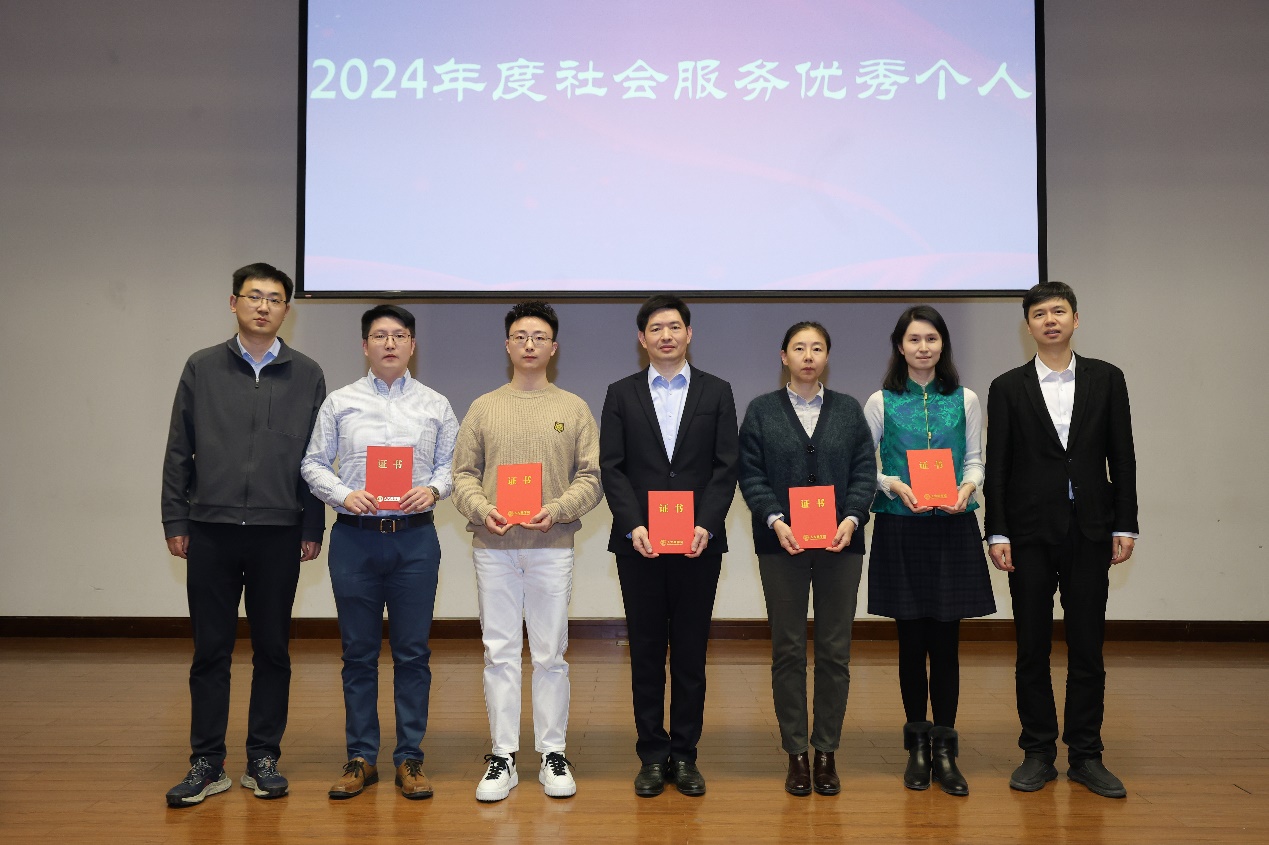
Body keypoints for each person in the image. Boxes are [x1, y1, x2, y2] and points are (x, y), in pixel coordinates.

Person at [160, 262, 326, 808]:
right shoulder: (202, 366)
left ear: (286, 310)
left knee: (273, 649)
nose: (263, 306)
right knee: (210, 650)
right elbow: (178, 448)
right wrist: (175, 519)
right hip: (211, 529)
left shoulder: (307, 373)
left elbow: (316, 458)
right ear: (234, 303)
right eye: (253, 296)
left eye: (274, 299)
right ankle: (207, 761)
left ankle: (263, 756)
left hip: (279, 532)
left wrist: (311, 524)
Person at [985, 281, 1138, 799]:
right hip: (1027, 532)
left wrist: (1125, 523)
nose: (1050, 320)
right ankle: (1037, 752)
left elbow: (1123, 455)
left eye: (1059, 311)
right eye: (1039, 314)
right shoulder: (1008, 386)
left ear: (1076, 319)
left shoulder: (1107, 378)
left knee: (1087, 646)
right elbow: (998, 465)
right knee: (1031, 646)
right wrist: (997, 530)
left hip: (1091, 529)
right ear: (1027, 325)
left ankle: (1087, 755)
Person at [301, 304, 458, 801]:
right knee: (358, 654)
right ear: (364, 345)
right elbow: (312, 463)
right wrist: (343, 493)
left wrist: (433, 489)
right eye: (379, 335)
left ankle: (409, 758)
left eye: (399, 335)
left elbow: (453, 466)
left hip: (415, 540)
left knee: (413, 653)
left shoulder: (436, 404)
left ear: (413, 345)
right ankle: (361, 758)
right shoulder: (340, 402)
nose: (390, 343)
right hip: (355, 539)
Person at [451, 301, 603, 802]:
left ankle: (553, 752)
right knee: (499, 652)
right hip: (494, 546)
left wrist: (557, 510)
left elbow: (591, 477)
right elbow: (462, 475)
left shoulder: (573, 408)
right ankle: (503, 756)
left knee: (550, 654)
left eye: (539, 337)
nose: (530, 344)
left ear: (553, 347)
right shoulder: (483, 407)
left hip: (551, 546)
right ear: (507, 345)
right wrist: (482, 509)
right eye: (520, 336)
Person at [599, 294, 739, 798]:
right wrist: (632, 524)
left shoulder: (717, 391)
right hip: (639, 544)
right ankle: (652, 756)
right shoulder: (621, 393)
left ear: (689, 334)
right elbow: (612, 466)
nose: (666, 335)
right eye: (656, 328)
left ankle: (685, 754)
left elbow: (726, 465)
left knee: (691, 652)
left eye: (674, 326)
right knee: (645, 651)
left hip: (699, 543)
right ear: (642, 338)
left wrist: (707, 522)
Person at [738, 321, 876, 797]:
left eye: (817, 348)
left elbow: (865, 470)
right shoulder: (761, 411)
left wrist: (852, 517)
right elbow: (750, 474)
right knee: (789, 650)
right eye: (799, 348)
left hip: (841, 543)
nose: (809, 356)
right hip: (782, 544)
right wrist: (776, 519)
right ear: (784, 357)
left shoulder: (848, 410)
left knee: (835, 651)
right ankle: (796, 753)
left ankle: (826, 752)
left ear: (827, 357)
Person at [863, 305, 996, 796]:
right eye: (914, 339)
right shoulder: (880, 401)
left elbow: (976, 460)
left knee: (946, 643)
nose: (924, 347)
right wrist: (891, 483)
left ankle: (945, 750)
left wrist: (968, 487)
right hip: (901, 527)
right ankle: (916, 746)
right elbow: (864, 464)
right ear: (900, 347)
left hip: (952, 526)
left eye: (932, 339)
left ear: (943, 345)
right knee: (910, 641)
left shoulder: (966, 398)